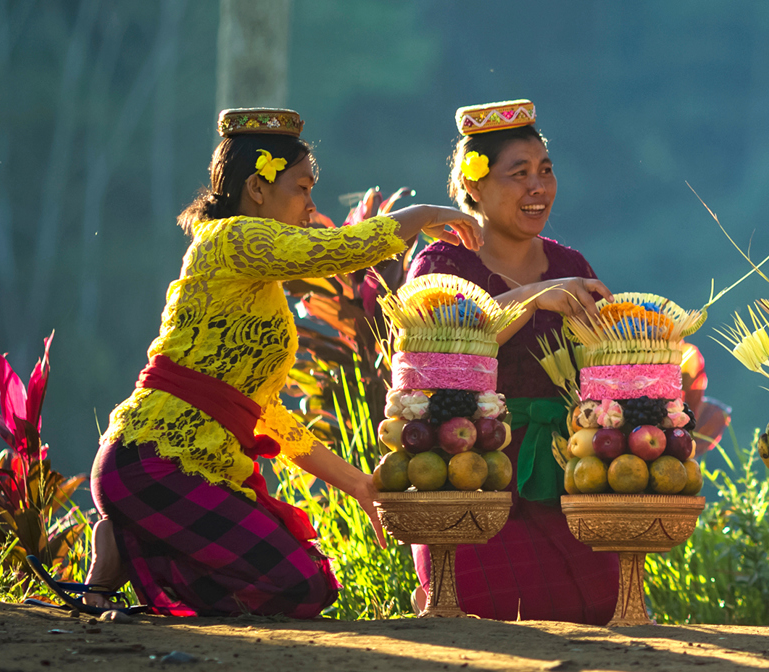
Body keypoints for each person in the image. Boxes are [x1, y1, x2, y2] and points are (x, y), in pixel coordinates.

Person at [79, 108, 481, 617]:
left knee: (307, 586)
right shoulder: (231, 238)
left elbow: (266, 417)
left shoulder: (256, 286)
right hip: (153, 461)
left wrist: (357, 483)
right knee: (296, 588)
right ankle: (130, 548)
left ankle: (127, 547)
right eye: (302, 188)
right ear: (257, 188)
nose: (312, 206)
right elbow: (338, 250)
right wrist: (421, 214)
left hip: (174, 469)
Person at [404, 100, 618, 623]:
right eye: (518, 174)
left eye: (545, 170)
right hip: (466, 467)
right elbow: (438, 349)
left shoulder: (569, 264)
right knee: (486, 605)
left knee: (600, 603)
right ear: (473, 184)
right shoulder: (440, 264)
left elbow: (599, 370)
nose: (537, 187)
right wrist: (533, 297)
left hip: (558, 470)